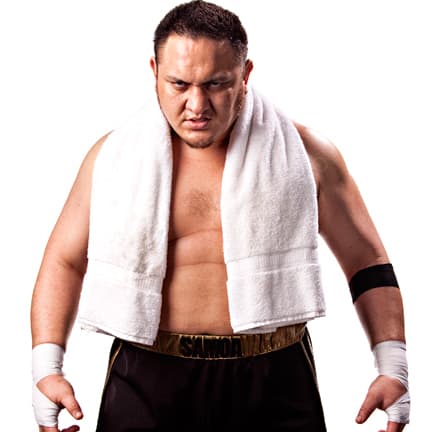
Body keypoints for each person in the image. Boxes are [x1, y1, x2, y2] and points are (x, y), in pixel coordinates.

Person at [30, 1, 410, 431]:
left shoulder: (307, 157)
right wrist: (46, 368)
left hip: (275, 376)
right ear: (154, 71)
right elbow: (64, 260)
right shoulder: (112, 159)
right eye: (179, 83)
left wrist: (392, 364)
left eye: (216, 84)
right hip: (148, 376)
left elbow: (365, 260)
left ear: (245, 75)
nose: (197, 105)